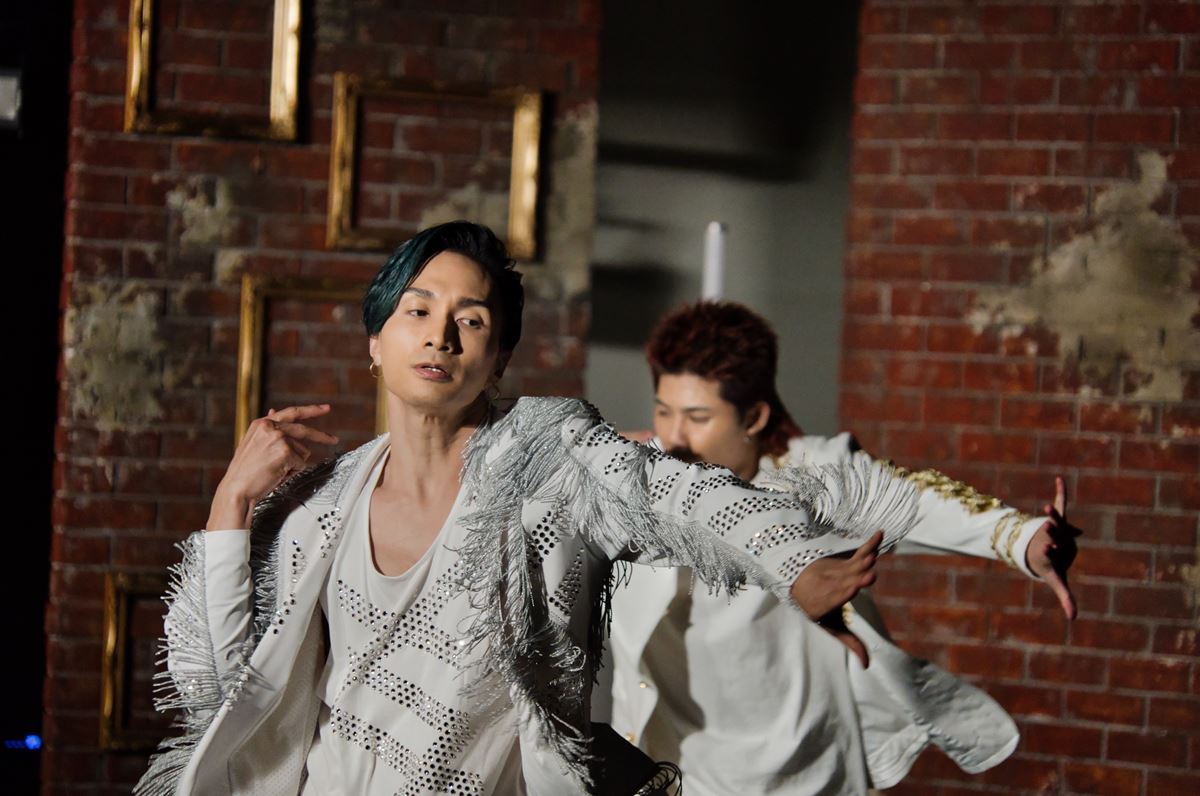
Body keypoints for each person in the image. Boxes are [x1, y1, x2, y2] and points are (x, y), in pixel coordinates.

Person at [136, 223, 920, 796]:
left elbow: (676, 491)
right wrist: (232, 502)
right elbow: (217, 681)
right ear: (375, 341)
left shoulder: (548, 459)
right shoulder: (316, 507)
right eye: (416, 310)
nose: (441, 336)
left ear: (499, 358)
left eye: (471, 319)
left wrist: (794, 565)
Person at [608, 300, 1080, 795]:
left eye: (698, 417)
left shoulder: (814, 479)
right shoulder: (636, 476)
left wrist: (1023, 539)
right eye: (664, 411)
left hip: (794, 774)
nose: (674, 436)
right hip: (671, 771)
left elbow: (915, 502)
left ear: (754, 416)